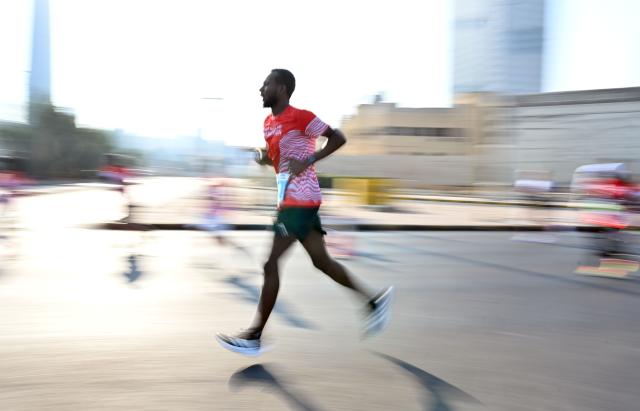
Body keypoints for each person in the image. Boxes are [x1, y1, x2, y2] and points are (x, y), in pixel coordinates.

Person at [216, 69, 393, 356]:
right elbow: (281, 161)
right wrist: (262, 158)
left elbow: (337, 137)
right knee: (321, 262)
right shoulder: (268, 123)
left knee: (269, 264)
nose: (261, 88)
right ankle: (373, 301)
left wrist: (309, 159)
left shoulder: (302, 117)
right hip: (293, 201)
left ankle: (254, 335)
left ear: (282, 88)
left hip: (300, 201)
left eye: (266, 84)